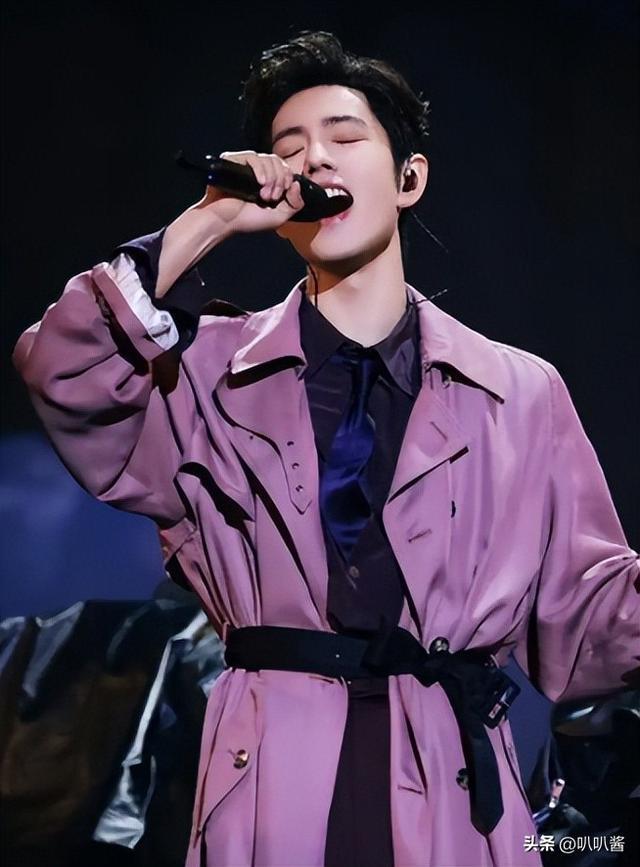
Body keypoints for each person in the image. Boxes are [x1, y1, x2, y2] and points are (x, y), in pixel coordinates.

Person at [12, 29, 639, 867]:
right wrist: (209, 220)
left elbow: (593, 619)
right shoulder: (205, 375)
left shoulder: (520, 393)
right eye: (289, 147)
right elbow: (65, 370)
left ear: (410, 178)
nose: (315, 159)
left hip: (454, 795)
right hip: (270, 786)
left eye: (345, 137)